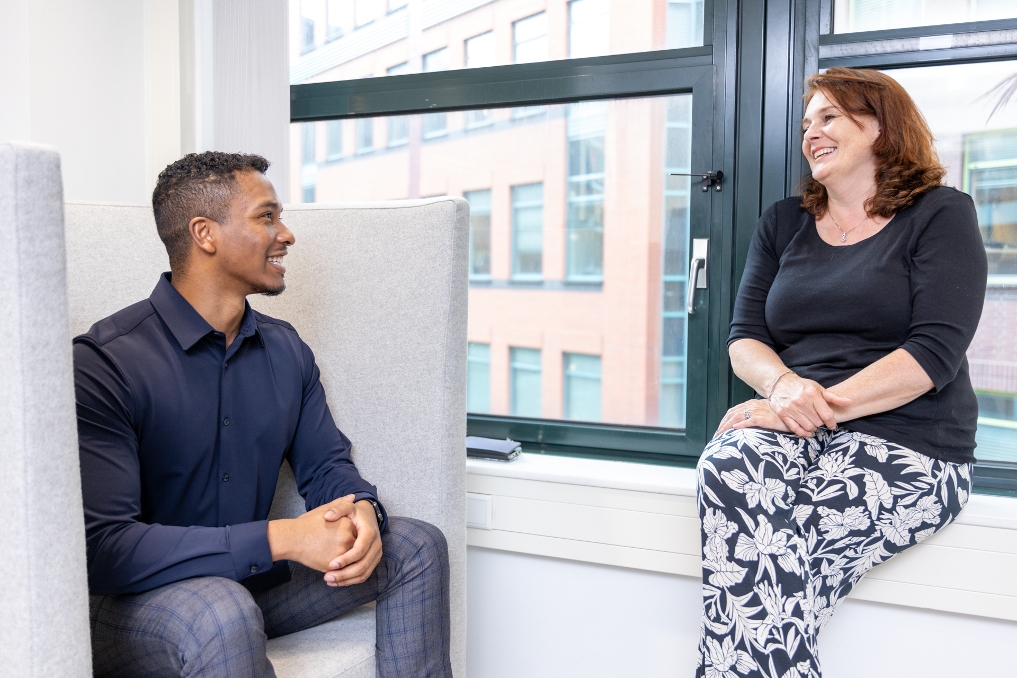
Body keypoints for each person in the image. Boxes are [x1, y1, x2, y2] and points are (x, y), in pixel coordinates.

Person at [75, 152, 453, 677]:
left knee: (417, 546)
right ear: (205, 234)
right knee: (220, 612)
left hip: (252, 586)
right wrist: (284, 538)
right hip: (139, 604)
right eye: (267, 217)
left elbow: (326, 467)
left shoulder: (285, 349)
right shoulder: (106, 360)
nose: (287, 234)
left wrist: (361, 509)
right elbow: (106, 549)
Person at [696, 68, 986, 678]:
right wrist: (781, 387)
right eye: (807, 124)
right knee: (727, 465)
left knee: (759, 584)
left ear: (882, 125)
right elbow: (745, 339)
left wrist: (803, 406)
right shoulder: (783, 223)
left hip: (910, 442)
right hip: (799, 429)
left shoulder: (941, 214)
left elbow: (933, 353)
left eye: (829, 117)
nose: (812, 133)